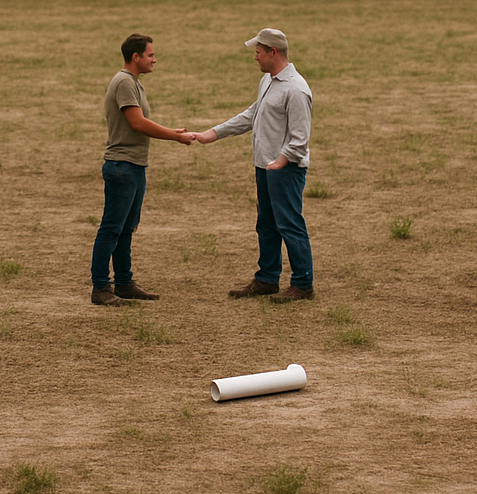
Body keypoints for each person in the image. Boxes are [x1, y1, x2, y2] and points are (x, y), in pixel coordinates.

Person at [192, 27, 315, 302]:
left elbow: (300, 138)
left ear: (273, 52)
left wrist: (281, 162)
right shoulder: (269, 81)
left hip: (285, 169)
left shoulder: (296, 89)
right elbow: (253, 114)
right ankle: (267, 278)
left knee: (290, 224)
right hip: (266, 167)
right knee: (267, 225)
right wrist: (214, 133)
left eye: (258, 52)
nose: (255, 57)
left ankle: (303, 284)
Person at [91, 33, 194, 306]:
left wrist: (171, 131)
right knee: (112, 228)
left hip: (134, 165)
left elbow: (140, 122)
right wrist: (174, 136)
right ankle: (101, 288)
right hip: (122, 166)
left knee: (126, 228)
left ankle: (124, 283)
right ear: (135, 57)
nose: (154, 59)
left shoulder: (132, 83)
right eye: (150, 55)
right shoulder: (124, 81)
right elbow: (137, 122)